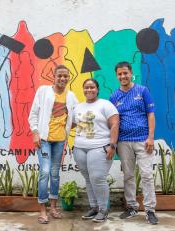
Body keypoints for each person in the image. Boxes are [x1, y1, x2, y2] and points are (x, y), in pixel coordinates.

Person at [28, 65, 78, 224]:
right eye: (60, 76)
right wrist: (35, 132)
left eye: (65, 76)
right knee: (44, 171)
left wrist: (68, 127)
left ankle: (53, 208)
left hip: (59, 141)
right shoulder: (43, 91)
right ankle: (42, 210)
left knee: (55, 173)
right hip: (44, 140)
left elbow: (76, 117)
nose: (63, 79)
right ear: (54, 77)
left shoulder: (71, 96)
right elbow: (33, 114)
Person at [109, 61, 158, 225]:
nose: (123, 76)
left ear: (131, 73)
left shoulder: (142, 91)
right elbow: (113, 122)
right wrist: (113, 144)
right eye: (120, 74)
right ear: (116, 76)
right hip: (123, 142)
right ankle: (131, 207)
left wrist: (150, 137)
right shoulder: (114, 96)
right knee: (128, 176)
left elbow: (151, 114)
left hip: (143, 141)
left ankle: (150, 210)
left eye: (125, 73)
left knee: (147, 176)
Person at [72, 78, 119, 223]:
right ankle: (93, 207)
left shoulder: (105, 104)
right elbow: (71, 124)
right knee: (88, 179)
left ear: (97, 89)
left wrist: (112, 145)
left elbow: (115, 124)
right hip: (80, 147)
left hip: (99, 147)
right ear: (83, 89)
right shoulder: (78, 107)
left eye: (92, 87)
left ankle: (103, 210)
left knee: (98, 178)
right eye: (86, 87)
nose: (89, 90)